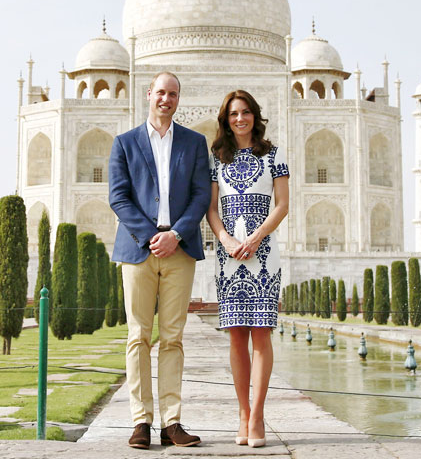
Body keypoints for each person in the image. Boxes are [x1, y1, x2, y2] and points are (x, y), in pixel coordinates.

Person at [108, 71, 211, 449]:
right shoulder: (124, 143)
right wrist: (153, 236)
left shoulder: (195, 142)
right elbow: (119, 197)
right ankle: (141, 421)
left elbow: (201, 196)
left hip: (179, 248)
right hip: (139, 248)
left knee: (172, 338)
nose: (166, 99)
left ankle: (172, 422)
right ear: (148, 94)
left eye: (173, 94)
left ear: (178, 99)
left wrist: (176, 234)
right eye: (160, 93)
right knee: (138, 336)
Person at [206, 90, 289, 448]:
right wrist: (223, 238)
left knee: (262, 335)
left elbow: (282, 206)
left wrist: (255, 238)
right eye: (233, 114)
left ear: (255, 115)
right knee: (237, 336)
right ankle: (242, 414)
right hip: (228, 255)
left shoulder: (274, 155)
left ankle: (257, 415)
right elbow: (211, 208)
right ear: (225, 119)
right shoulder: (216, 158)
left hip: (262, 253)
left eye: (246, 112)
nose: (240, 119)